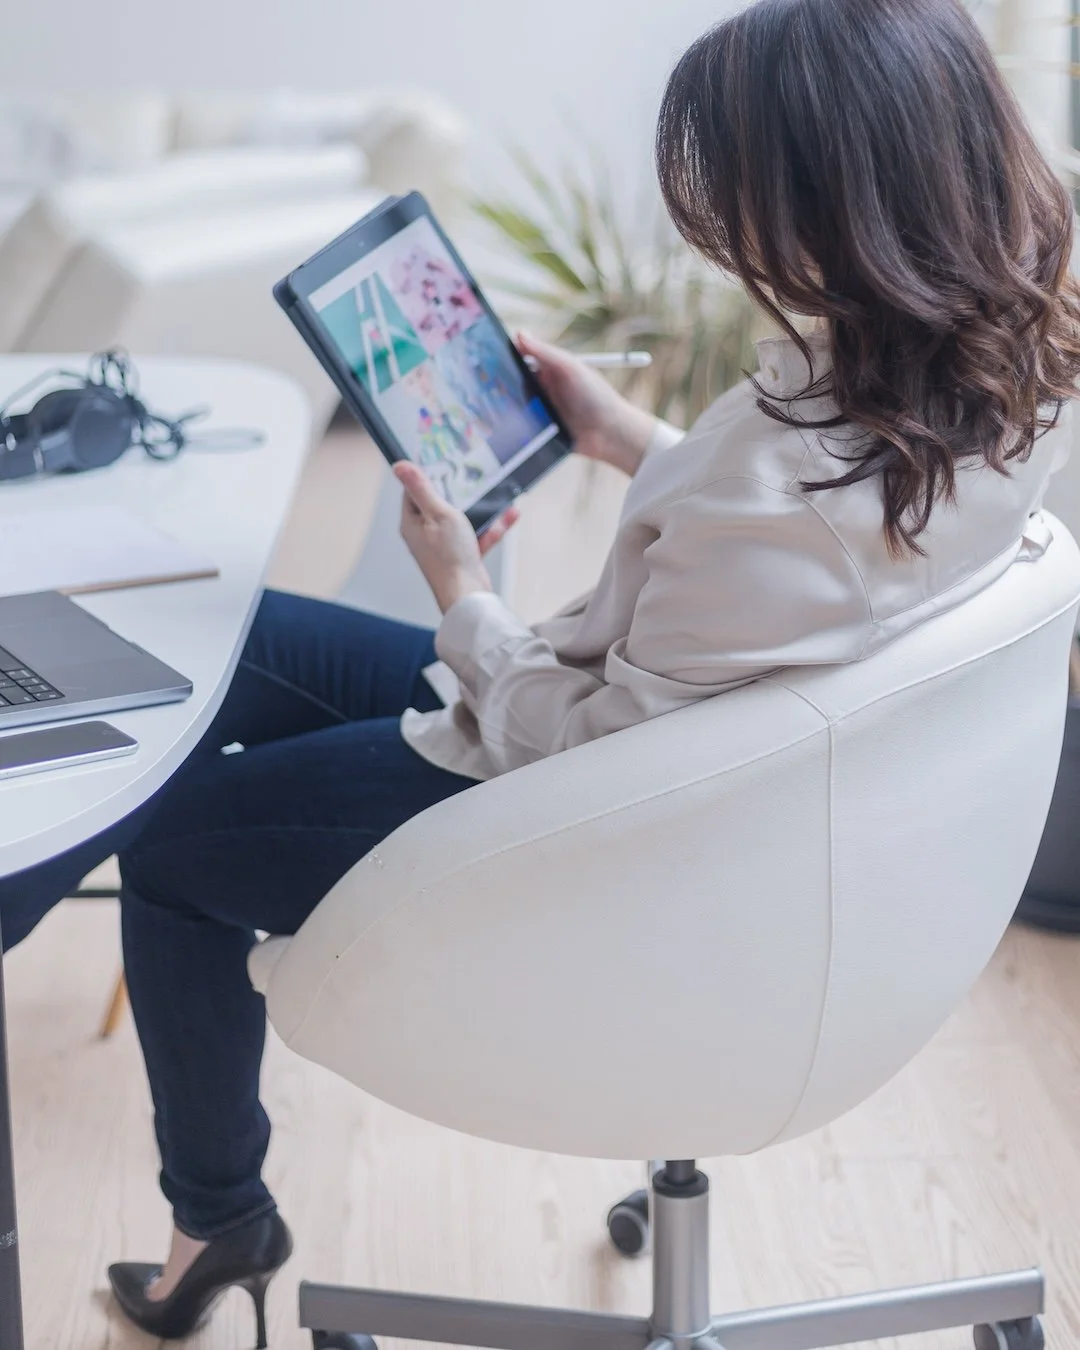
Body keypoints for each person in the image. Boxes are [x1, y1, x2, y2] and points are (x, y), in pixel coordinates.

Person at [2, 0, 1079, 1342]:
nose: (721, 233)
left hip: (589, 814)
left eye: (735, 199)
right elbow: (825, 544)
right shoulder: (996, 361)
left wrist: (462, 588)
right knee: (237, 636)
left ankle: (214, 1218)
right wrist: (633, 438)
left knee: (174, 850)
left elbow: (566, 747)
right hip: (706, 763)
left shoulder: (772, 496)